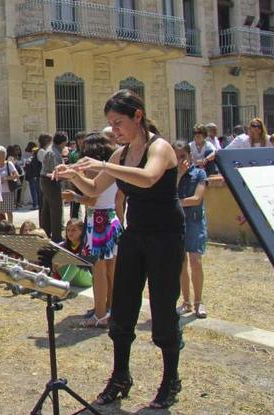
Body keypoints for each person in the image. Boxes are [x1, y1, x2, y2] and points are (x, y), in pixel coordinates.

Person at [54, 89, 185, 409]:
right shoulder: (120, 154)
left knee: (163, 309)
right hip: (135, 234)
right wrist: (74, 176)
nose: (114, 130)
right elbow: (96, 187)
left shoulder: (160, 147)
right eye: (110, 123)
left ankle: (171, 380)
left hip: (165, 236)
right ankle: (120, 376)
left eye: (119, 122)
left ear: (138, 116)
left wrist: (103, 165)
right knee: (123, 308)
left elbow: (148, 178)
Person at [62, 133, 121, 328]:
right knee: (112, 270)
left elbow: (92, 198)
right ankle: (110, 309)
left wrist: (74, 196)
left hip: (98, 220)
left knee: (99, 271)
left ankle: (100, 313)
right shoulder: (112, 168)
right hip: (113, 218)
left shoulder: (94, 171)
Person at [174, 141, 209, 320]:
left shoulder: (200, 173)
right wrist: (178, 175)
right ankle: (186, 301)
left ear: (190, 156)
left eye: (183, 156)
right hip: (177, 223)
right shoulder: (172, 175)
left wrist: (176, 202)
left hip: (194, 222)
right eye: (177, 156)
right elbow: (169, 194)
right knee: (181, 263)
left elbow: (196, 199)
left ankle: (198, 301)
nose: (180, 160)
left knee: (195, 261)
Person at [39, 132, 67, 243]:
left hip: (46, 180)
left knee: (46, 208)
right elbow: (55, 170)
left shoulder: (52, 150)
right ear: (62, 142)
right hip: (50, 180)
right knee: (56, 209)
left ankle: (45, 232)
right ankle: (56, 236)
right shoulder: (53, 153)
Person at [56, 219, 93, 288]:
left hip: (86, 279)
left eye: (73, 230)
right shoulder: (64, 245)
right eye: (68, 230)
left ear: (82, 231)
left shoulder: (86, 245)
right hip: (71, 279)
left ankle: (61, 287)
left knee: (76, 259)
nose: (70, 232)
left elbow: (89, 265)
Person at [0, 146, 19, 224]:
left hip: (8, 191)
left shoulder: (9, 164)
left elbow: (16, 175)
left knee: (9, 211)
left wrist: (6, 178)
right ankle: (1, 227)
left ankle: (10, 226)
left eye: (0, 154)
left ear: (4, 155)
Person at [24, 141, 42, 209]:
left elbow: (26, 167)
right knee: (38, 191)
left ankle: (35, 204)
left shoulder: (30, 159)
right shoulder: (39, 160)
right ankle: (39, 204)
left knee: (33, 191)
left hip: (32, 177)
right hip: (38, 176)